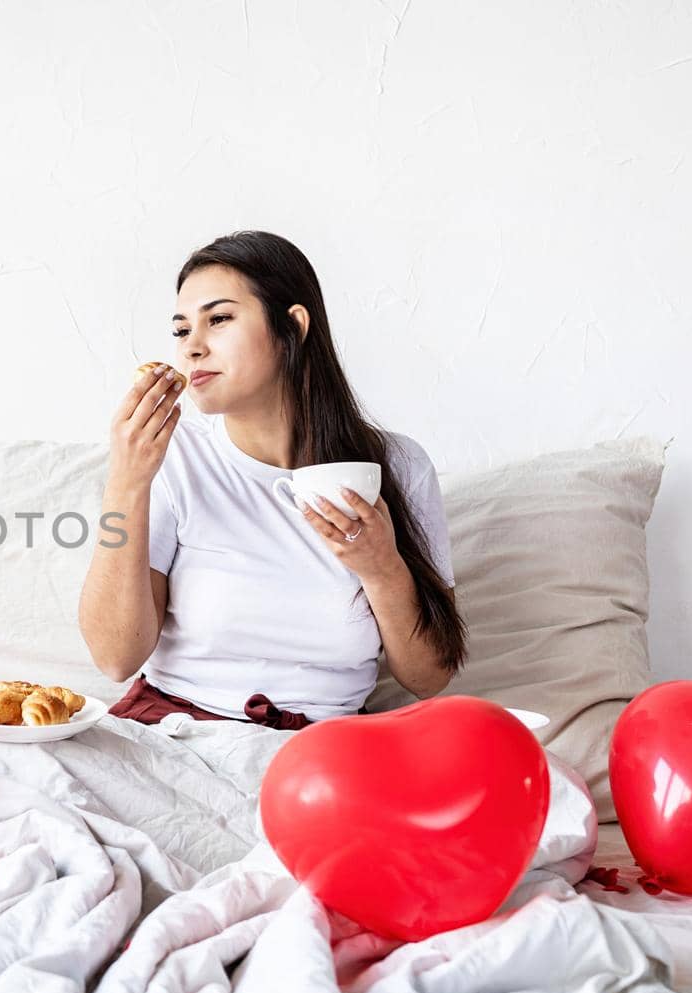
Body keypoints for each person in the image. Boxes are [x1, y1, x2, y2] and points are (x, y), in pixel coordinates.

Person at [78, 231, 466, 730]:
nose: (192, 348)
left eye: (218, 319)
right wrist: (126, 484)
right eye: (181, 330)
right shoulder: (172, 457)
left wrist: (383, 569)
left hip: (324, 748)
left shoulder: (398, 467)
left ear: (294, 327)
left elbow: (429, 678)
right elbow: (115, 657)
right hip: (176, 734)